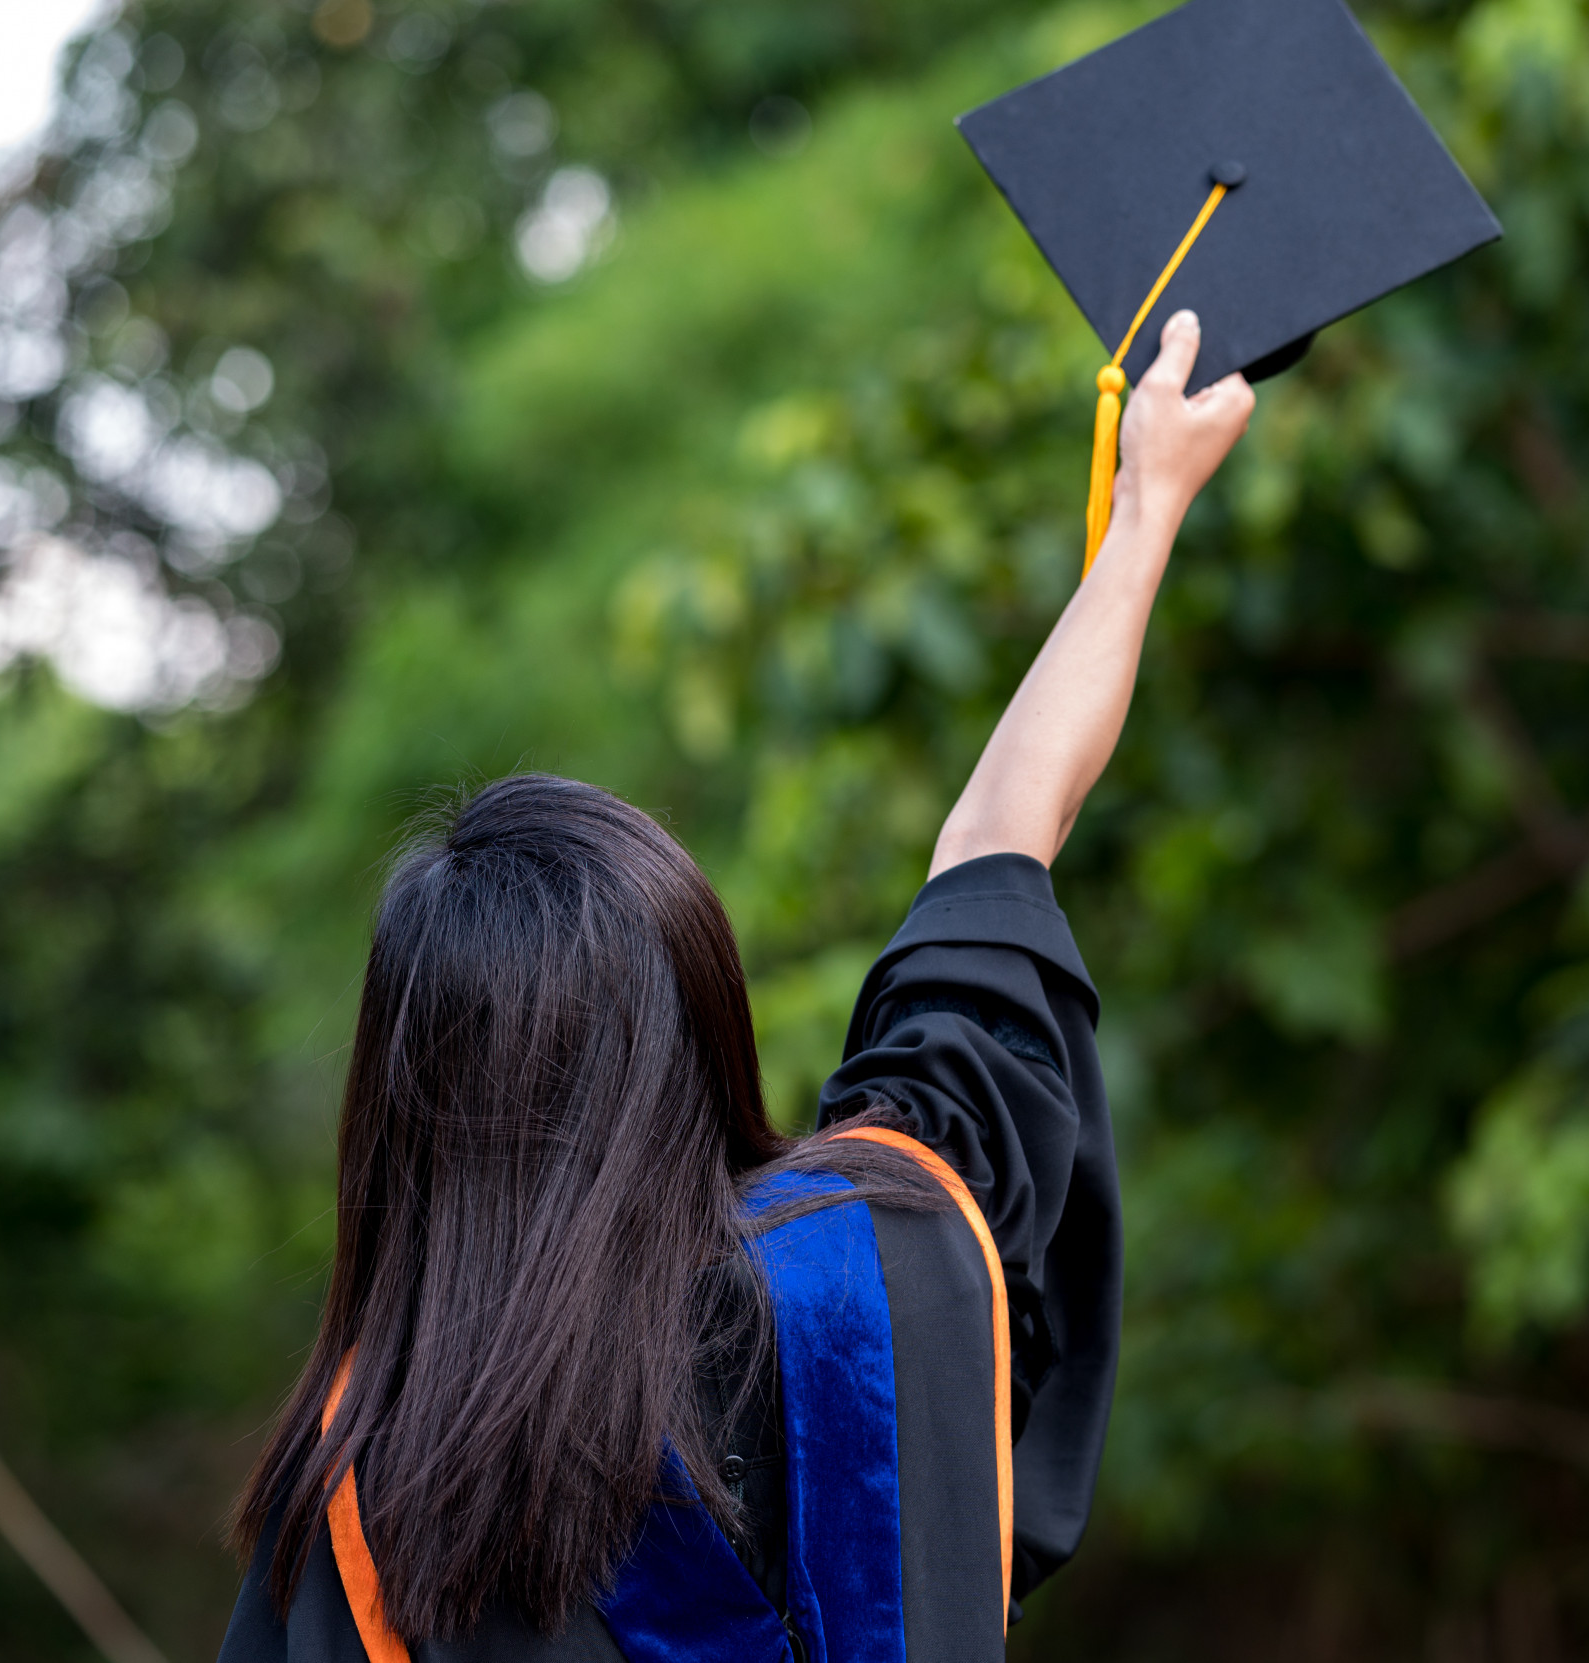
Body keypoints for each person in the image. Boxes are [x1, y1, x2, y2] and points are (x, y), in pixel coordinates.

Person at [216, 310, 1254, 1663]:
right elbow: (1000, 841)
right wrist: (1147, 507)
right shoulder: (877, 1260)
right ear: (693, 1025)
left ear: (405, 1111)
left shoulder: (364, 1514)